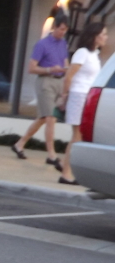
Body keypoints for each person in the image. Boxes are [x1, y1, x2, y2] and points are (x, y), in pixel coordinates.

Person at [12, 14, 70, 166]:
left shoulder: (63, 43)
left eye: (65, 30)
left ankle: (20, 144)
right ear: (55, 27)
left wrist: (66, 76)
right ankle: (51, 155)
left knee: (44, 118)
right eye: (61, 29)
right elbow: (31, 68)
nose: (63, 32)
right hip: (46, 82)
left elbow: (65, 61)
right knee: (50, 118)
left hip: (59, 81)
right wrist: (50, 69)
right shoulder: (42, 44)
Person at [59, 21, 108, 185]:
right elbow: (69, 76)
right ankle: (66, 174)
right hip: (78, 95)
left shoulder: (95, 54)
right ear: (94, 36)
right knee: (77, 136)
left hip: (87, 97)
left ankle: (70, 172)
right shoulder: (82, 53)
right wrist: (64, 96)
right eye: (103, 34)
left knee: (81, 137)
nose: (106, 37)